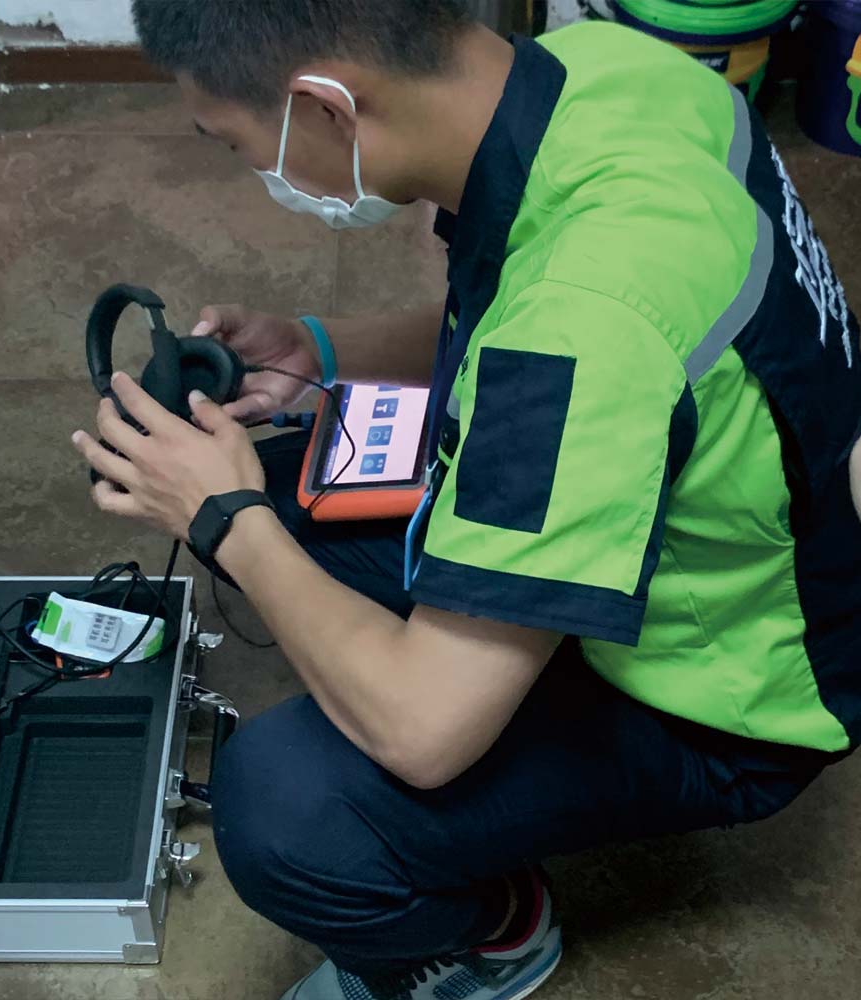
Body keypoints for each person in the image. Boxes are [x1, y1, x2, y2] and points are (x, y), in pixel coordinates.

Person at [72, 3, 861, 998]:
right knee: (293, 494)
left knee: (285, 804)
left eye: (236, 142)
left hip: (730, 694)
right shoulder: (610, 72)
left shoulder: (574, 339)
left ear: (326, 107)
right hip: (756, 524)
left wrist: (223, 518)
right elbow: (516, 309)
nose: (253, 169)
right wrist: (318, 351)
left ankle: (495, 938)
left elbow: (424, 733)